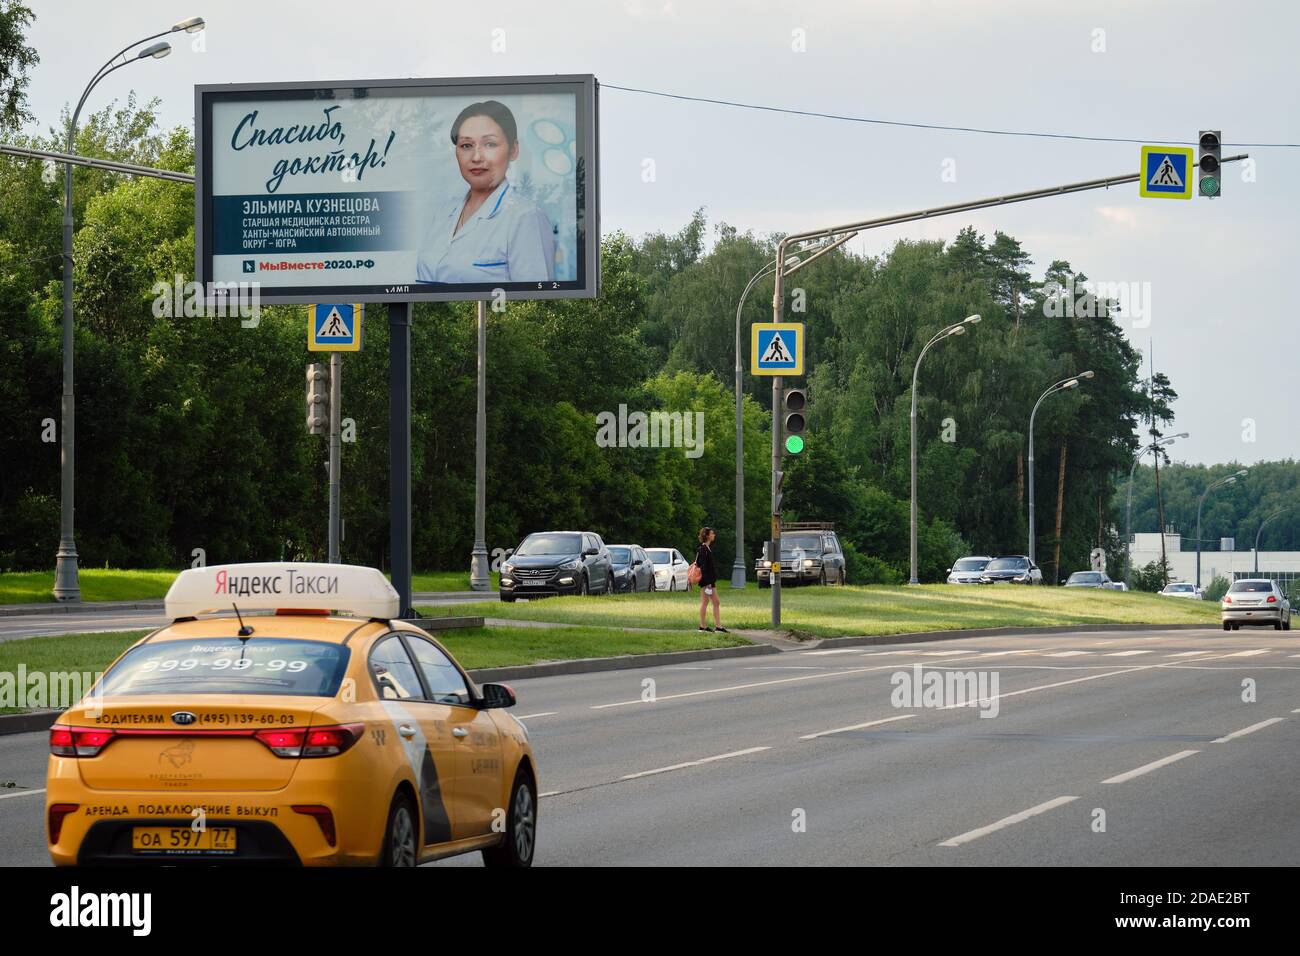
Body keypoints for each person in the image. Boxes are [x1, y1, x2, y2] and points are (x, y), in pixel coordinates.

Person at [416, 99, 556, 284]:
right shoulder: (444, 213)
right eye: (466, 145)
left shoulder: (525, 218)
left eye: (489, 144)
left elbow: (536, 304)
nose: (476, 157)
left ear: (513, 150)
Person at [694, 527, 727, 633]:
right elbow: (702, 566)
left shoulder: (707, 548)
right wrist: (708, 583)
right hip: (706, 581)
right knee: (706, 602)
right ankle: (703, 626)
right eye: (712, 533)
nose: (714, 535)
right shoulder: (703, 549)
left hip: (709, 581)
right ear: (707, 535)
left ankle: (717, 626)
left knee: (715, 602)